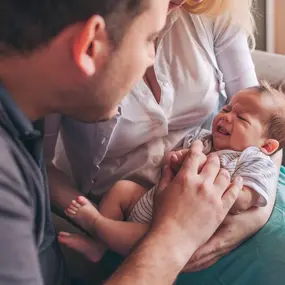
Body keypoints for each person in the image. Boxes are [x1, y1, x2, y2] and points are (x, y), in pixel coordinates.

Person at [0, 1, 240, 285]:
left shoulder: (22, 120)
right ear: (90, 45)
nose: (153, 59)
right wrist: (177, 234)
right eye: (150, 40)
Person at [46, 0, 285, 284]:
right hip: (141, 204)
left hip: (228, 206)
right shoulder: (70, 32)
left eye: (238, 117)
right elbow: (36, 160)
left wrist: (246, 220)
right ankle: (101, 236)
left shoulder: (211, 11)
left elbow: (265, 132)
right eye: (225, 109)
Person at [59, 82, 285, 261]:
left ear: (267, 146)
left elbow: (248, 198)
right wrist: (178, 160)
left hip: (178, 224)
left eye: (242, 117)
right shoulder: (202, 139)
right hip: (154, 200)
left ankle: (98, 224)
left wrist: (225, 189)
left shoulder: (254, 159)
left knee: (150, 240)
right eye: (226, 108)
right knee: (122, 189)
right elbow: (169, 162)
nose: (226, 117)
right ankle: (98, 246)